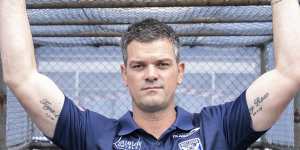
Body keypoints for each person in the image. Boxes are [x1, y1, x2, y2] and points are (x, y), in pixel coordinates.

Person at [1, 0, 300, 149]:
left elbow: (289, 73)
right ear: (124, 74)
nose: (151, 74)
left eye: (162, 64)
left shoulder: (217, 128)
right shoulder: (94, 133)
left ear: (180, 72)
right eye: (139, 66)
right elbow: (21, 77)